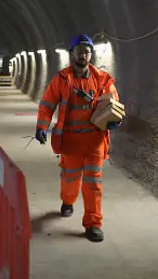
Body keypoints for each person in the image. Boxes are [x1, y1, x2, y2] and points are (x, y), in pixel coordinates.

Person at [34, 34, 122, 242]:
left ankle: (93, 223)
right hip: (71, 142)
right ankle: (68, 201)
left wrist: (114, 120)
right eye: (79, 51)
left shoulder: (102, 79)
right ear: (72, 54)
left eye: (87, 52)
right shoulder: (62, 80)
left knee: (93, 183)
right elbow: (47, 104)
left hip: (94, 142)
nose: (83, 55)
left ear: (91, 54)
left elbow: (113, 103)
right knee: (70, 180)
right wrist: (41, 126)